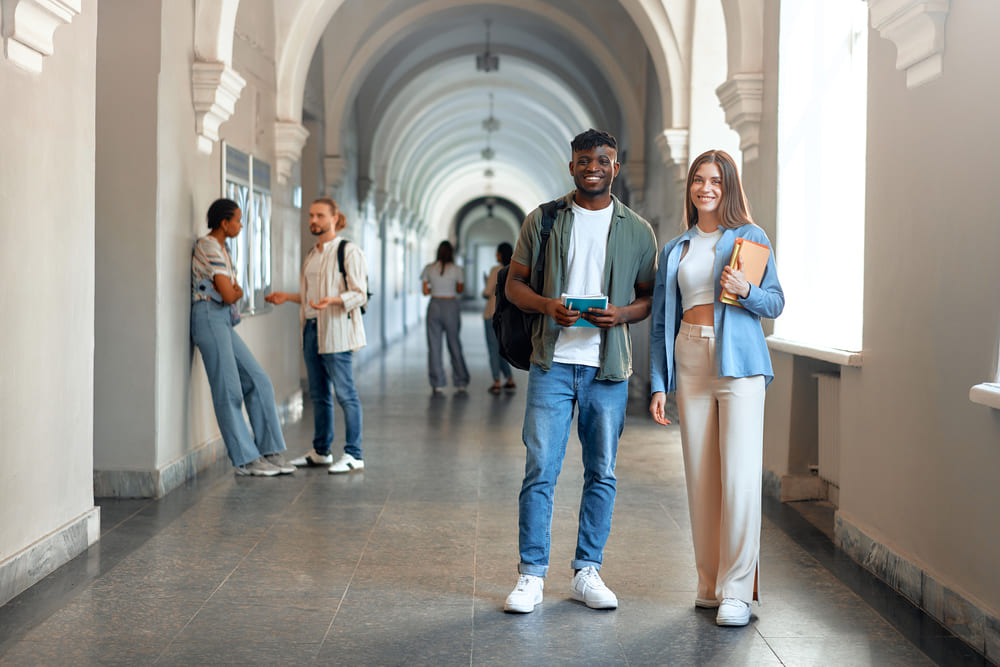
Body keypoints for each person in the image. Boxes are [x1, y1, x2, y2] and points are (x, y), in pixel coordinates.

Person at [503, 129, 658, 613]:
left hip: (606, 370)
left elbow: (648, 296)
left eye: (604, 159)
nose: (594, 166)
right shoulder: (544, 220)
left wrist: (623, 314)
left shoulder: (638, 230)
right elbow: (513, 285)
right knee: (540, 471)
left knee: (602, 473)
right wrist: (548, 305)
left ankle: (587, 571)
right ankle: (531, 576)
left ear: (617, 166)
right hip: (552, 363)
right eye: (585, 159)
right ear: (571, 165)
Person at [649, 149, 784, 627]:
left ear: (728, 187)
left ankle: (738, 591)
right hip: (689, 357)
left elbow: (775, 303)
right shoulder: (676, 249)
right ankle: (709, 584)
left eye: (716, 181)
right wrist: (659, 382)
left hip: (740, 364)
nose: (706, 188)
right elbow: (662, 322)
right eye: (698, 180)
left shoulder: (749, 238)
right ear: (690, 188)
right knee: (702, 476)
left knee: (740, 477)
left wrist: (746, 292)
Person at [190, 198, 294, 477]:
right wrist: (234, 292)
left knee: (258, 380)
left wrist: (234, 292)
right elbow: (230, 293)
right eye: (237, 219)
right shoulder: (208, 246)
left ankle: (269, 450)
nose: (241, 224)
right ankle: (245, 460)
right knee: (229, 389)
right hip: (209, 318)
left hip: (222, 319)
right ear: (224, 223)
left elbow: (233, 290)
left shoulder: (223, 250)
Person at [264, 198, 368, 474]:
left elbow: (360, 293)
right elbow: (313, 298)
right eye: (311, 215)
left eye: (320, 215)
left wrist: (334, 301)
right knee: (319, 394)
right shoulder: (313, 254)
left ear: (335, 218)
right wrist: (287, 297)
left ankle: (354, 454)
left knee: (346, 394)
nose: (314, 220)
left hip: (337, 332)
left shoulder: (348, 251)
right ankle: (321, 451)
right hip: (312, 329)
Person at [420, 241, 471, 394]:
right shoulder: (457, 270)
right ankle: (460, 380)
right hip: (450, 305)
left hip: (434, 305)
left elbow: (425, 291)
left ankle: (437, 382)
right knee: (454, 343)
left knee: (434, 346)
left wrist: (436, 287)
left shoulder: (429, 269)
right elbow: (460, 289)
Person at [481, 242, 516, 394]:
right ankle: (509, 378)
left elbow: (487, 292)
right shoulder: (515, 270)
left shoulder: (496, 270)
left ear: (501, 254)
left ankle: (496, 381)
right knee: (503, 348)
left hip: (492, 314)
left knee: (493, 348)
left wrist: (487, 284)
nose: (496, 255)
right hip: (509, 316)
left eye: (497, 253)